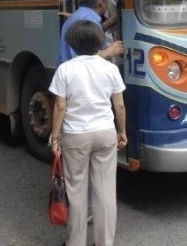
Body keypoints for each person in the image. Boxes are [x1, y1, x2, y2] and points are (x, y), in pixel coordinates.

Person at [49, 20, 127, 246]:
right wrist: (121, 132)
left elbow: (60, 107)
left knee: (76, 191)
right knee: (105, 192)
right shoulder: (110, 68)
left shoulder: (65, 69)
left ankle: (76, 242)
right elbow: (119, 105)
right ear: (99, 42)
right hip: (105, 133)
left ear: (72, 44)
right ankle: (104, 242)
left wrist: (55, 137)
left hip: (76, 136)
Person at [57, 0, 124, 66]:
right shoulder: (89, 20)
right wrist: (109, 51)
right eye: (107, 0)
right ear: (102, 3)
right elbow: (85, 59)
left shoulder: (76, 16)